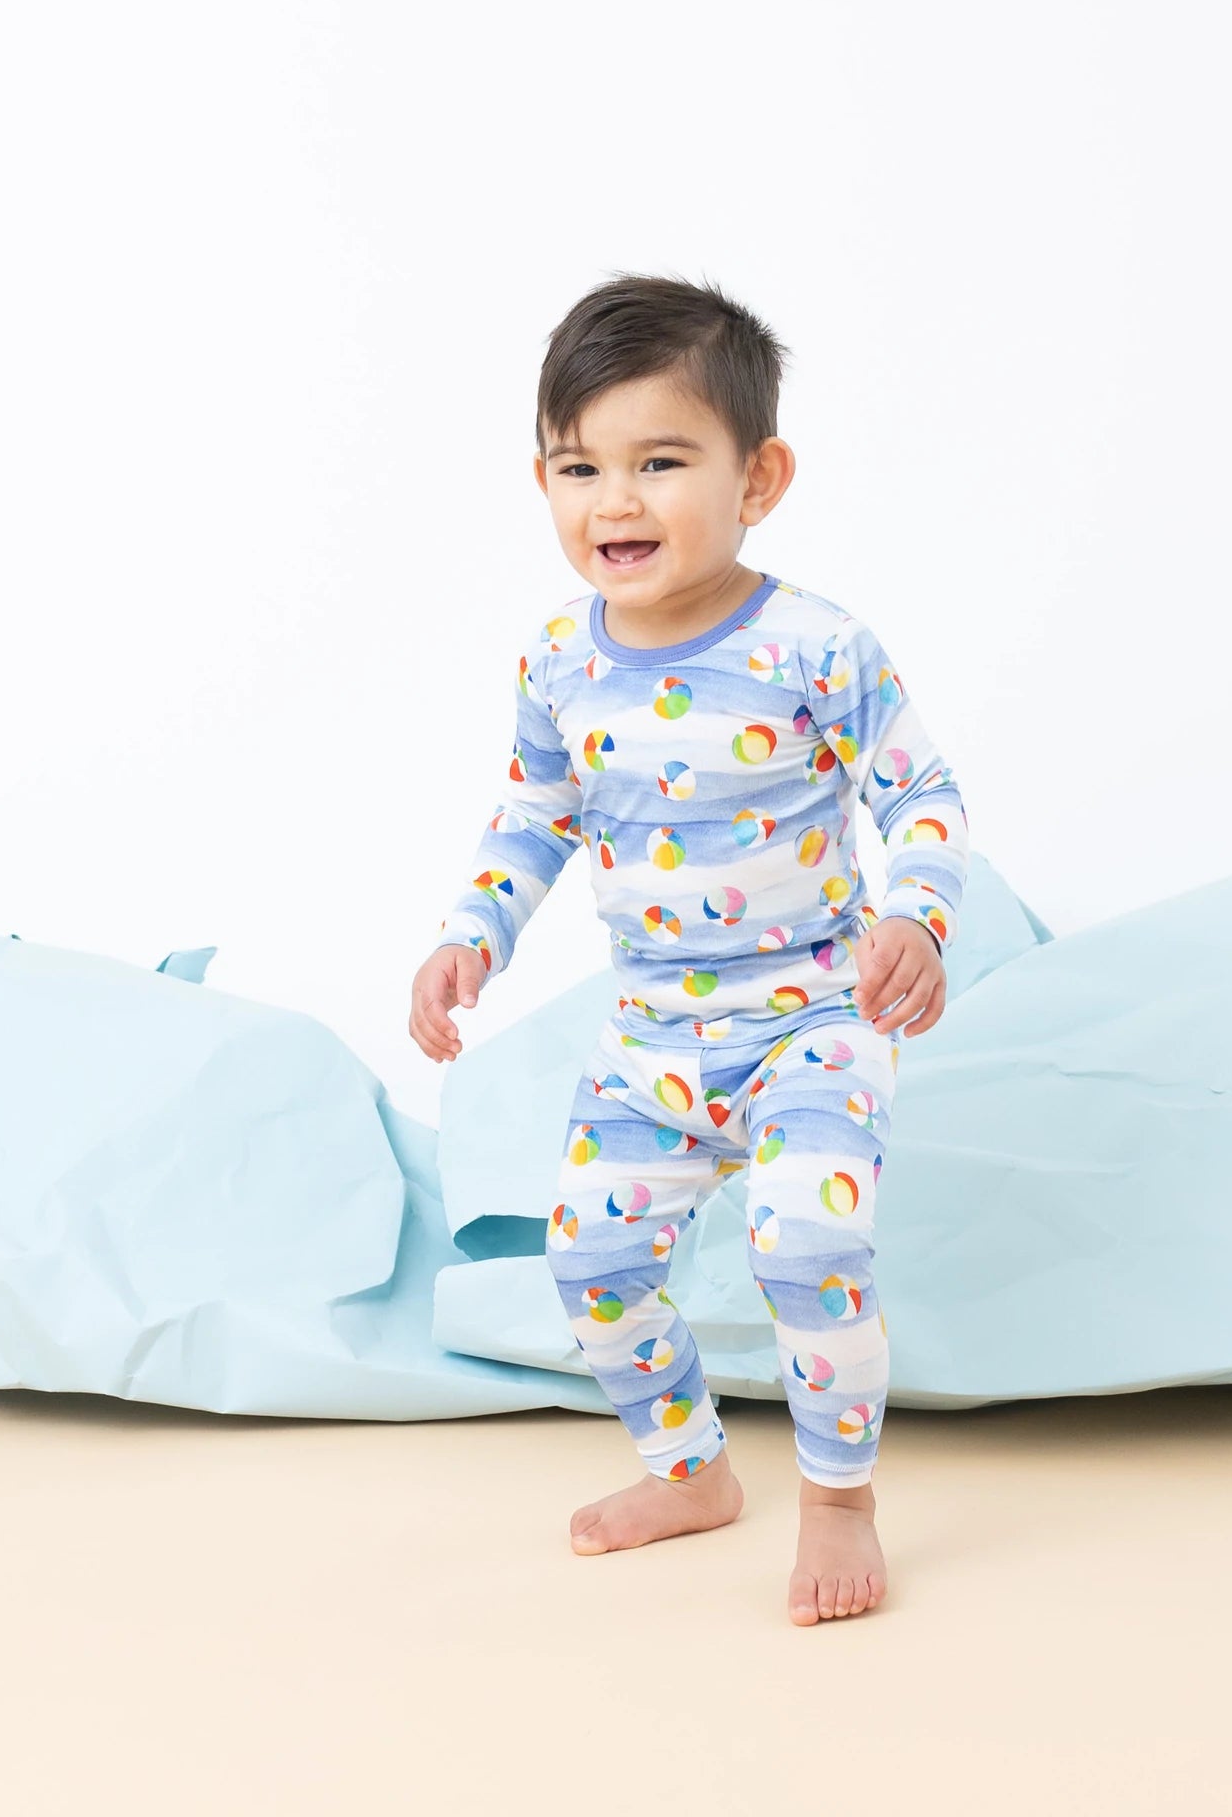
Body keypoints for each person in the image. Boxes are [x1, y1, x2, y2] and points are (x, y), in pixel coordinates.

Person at [408, 273, 970, 1624]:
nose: (616, 500)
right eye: (579, 466)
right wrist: (470, 935)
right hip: (652, 1042)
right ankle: (690, 1471)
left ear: (757, 478)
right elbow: (534, 816)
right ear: (542, 480)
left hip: (813, 1022)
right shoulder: (560, 659)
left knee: (805, 1243)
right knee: (587, 1264)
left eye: (660, 462)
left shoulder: (815, 645)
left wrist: (917, 914)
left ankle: (838, 1502)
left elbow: (923, 796)